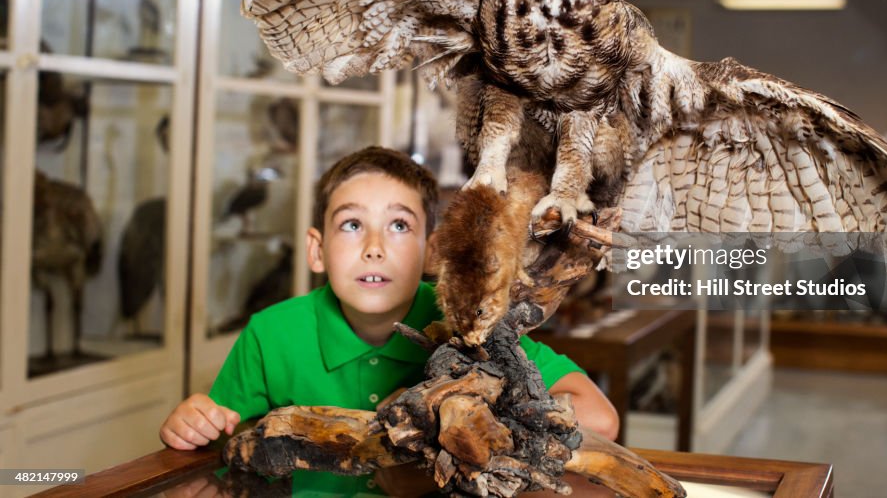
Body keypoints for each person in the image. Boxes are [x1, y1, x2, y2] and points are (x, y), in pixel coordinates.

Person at [159, 146, 618, 495]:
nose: (373, 247)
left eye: (399, 226)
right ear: (317, 250)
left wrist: (469, 420)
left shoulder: (470, 321)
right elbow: (212, 448)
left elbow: (600, 417)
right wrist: (190, 424)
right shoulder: (270, 334)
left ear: (432, 251)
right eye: (352, 225)